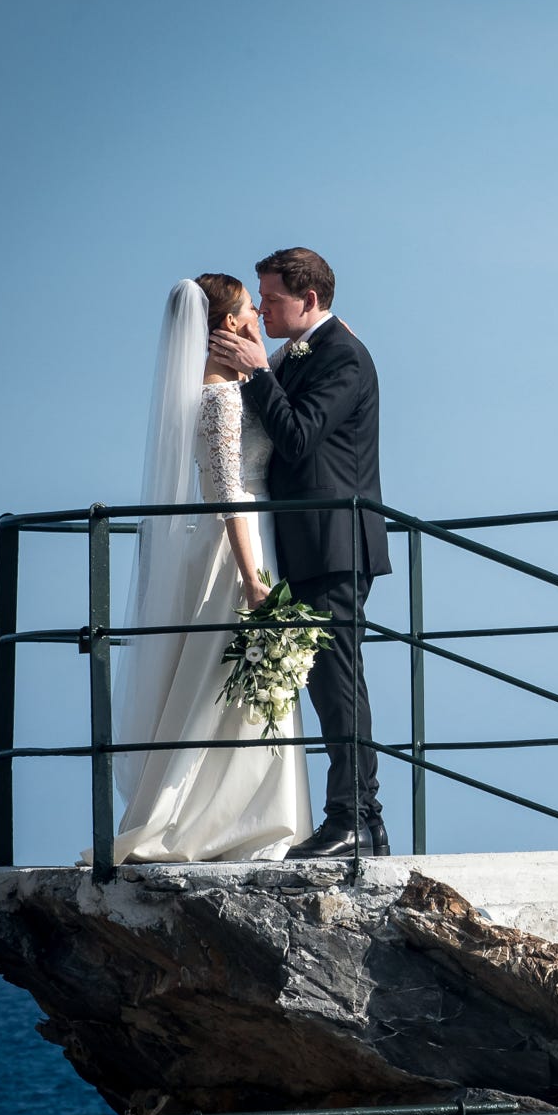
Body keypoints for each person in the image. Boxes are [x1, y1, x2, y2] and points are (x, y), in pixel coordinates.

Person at [109, 277, 309, 862]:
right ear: (226, 324)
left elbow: (265, 372)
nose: (259, 315)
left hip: (245, 537)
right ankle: (223, 821)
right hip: (237, 545)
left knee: (231, 683)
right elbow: (227, 489)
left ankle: (248, 816)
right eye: (251, 308)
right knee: (223, 685)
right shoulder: (219, 396)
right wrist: (252, 577)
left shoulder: (231, 383)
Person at [210, 247, 393, 858]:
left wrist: (259, 373)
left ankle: (353, 820)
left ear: (308, 299)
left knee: (338, 684)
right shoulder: (301, 352)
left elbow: (297, 438)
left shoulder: (342, 354)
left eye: (273, 298)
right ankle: (361, 817)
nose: (263, 309)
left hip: (336, 542)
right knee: (327, 684)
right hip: (305, 543)